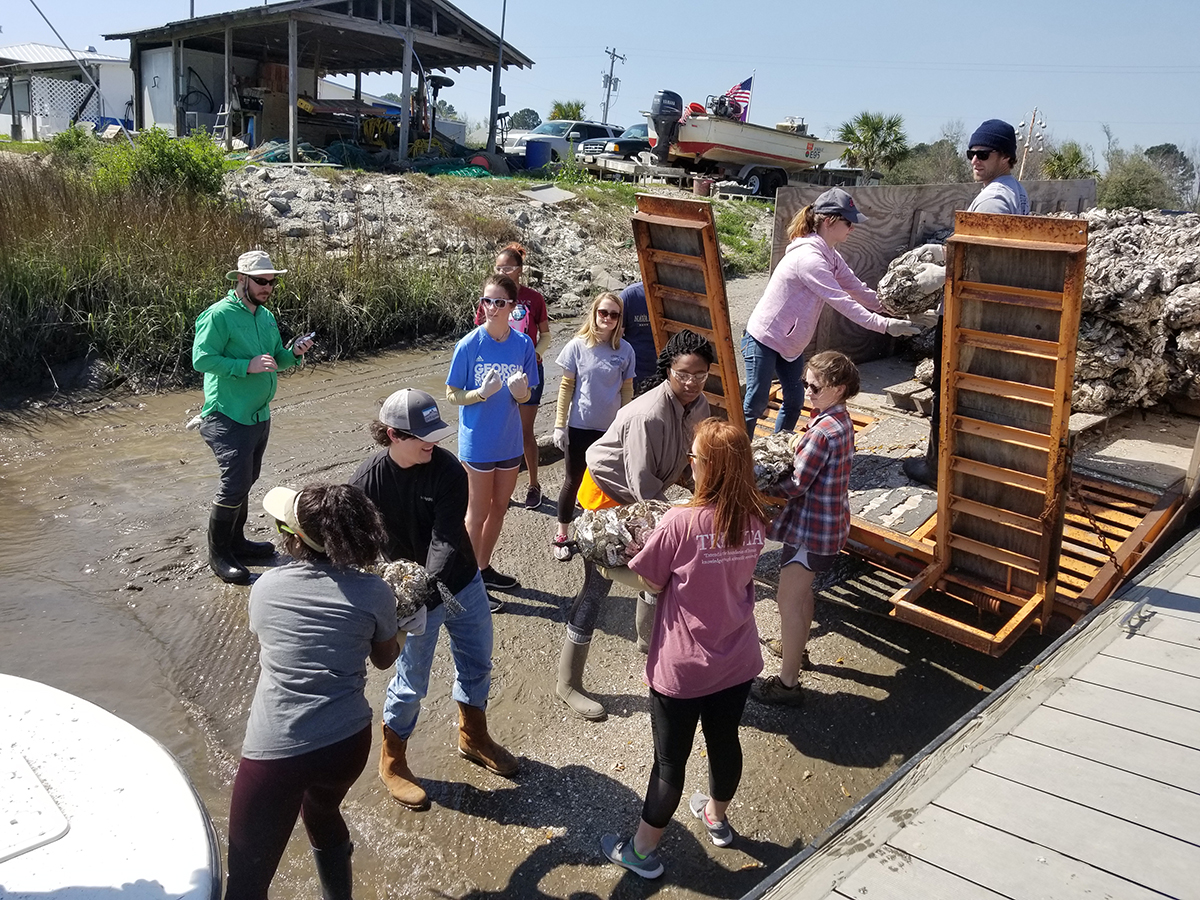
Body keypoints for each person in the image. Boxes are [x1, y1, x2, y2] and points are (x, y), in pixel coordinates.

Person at [599, 418, 771, 879]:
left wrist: (606, 570)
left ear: (708, 468)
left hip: (684, 669)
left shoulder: (681, 521)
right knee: (724, 741)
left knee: (669, 763)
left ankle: (639, 852)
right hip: (737, 660)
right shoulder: (754, 518)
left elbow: (650, 581)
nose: (689, 465)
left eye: (693, 458)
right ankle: (716, 817)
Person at [225, 483, 400, 900]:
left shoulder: (267, 588)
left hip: (277, 750)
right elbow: (384, 659)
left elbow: (273, 639)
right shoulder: (376, 592)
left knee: (246, 885)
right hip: (346, 745)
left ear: (295, 538)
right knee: (321, 810)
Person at [349, 388, 518, 812]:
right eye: (423, 437)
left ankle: (473, 736)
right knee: (411, 682)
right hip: (410, 599)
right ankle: (393, 759)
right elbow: (354, 542)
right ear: (393, 435)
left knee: (477, 662)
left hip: (458, 584)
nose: (434, 443)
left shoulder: (446, 471)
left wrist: (424, 586)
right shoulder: (366, 480)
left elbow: (446, 539)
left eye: (436, 433)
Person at [555, 329, 713, 721]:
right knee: (597, 586)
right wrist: (680, 521)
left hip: (648, 494)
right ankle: (568, 683)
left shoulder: (700, 406)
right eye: (683, 374)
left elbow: (691, 464)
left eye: (700, 374)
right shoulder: (647, 415)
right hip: (607, 497)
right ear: (667, 371)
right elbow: (642, 488)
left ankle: (646, 642)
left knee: (660, 569)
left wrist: (707, 497)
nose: (691, 382)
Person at [902, 119, 1030, 487]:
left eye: (983, 154)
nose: (975, 160)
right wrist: (943, 252)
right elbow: (982, 243)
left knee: (946, 387)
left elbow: (982, 257)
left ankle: (935, 466)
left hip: (965, 310)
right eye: (971, 153)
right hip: (985, 308)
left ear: (1005, 156)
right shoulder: (1014, 191)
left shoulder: (992, 198)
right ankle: (956, 460)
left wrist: (941, 274)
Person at [740, 188, 919, 440]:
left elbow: (856, 289)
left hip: (791, 344)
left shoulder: (830, 255)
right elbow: (842, 301)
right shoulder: (808, 258)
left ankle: (777, 450)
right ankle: (738, 452)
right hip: (764, 339)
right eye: (849, 222)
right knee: (756, 402)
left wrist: (893, 307)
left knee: (794, 401)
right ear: (830, 221)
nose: (852, 228)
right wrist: (885, 325)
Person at [193, 250, 314, 585]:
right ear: (242, 280)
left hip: (259, 415)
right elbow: (201, 359)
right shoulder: (218, 315)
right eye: (261, 281)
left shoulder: (266, 317)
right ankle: (219, 555)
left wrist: (295, 353)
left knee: (246, 480)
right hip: (226, 415)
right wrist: (244, 367)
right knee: (233, 484)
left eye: (272, 281)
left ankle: (238, 543)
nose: (268, 287)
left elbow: (278, 360)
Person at [752, 351, 859, 706]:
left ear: (839, 388)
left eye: (815, 386)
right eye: (806, 383)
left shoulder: (822, 433)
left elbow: (796, 484)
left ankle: (787, 684)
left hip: (811, 531)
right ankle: (798, 651)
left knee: (788, 600)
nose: (808, 390)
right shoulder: (840, 420)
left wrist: (760, 488)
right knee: (802, 595)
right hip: (829, 525)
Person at [448, 272, 539, 592]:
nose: (491, 307)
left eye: (499, 302)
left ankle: (482, 568)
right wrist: (480, 394)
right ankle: (467, 582)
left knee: (500, 508)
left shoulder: (523, 344)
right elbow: (451, 394)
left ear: (512, 306)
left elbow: (528, 396)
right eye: (487, 301)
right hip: (478, 442)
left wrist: (521, 393)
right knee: (477, 512)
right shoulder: (469, 345)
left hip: (509, 440)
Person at [551, 292, 636, 562]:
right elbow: (566, 387)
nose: (608, 319)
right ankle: (562, 534)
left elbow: (627, 390)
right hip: (579, 426)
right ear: (595, 313)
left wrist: (625, 426)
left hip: (609, 431)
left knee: (605, 483)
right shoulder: (577, 346)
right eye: (603, 313)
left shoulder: (625, 350)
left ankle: (600, 534)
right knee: (572, 480)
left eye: (614, 315)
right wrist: (559, 425)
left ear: (620, 319)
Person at [474, 243, 551, 509]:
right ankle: (502, 490)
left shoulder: (534, 298)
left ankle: (533, 484)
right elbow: (481, 334)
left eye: (508, 267)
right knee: (499, 428)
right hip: (496, 372)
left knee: (524, 431)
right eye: (499, 267)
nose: (503, 271)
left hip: (527, 370)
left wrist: (536, 354)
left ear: (519, 270)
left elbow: (546, 334)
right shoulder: (490, 299)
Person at [618, 282, 660, 396]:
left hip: (668, 376)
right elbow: (615, 337)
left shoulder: (673, 294)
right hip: (635, 377)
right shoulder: (631, 296)